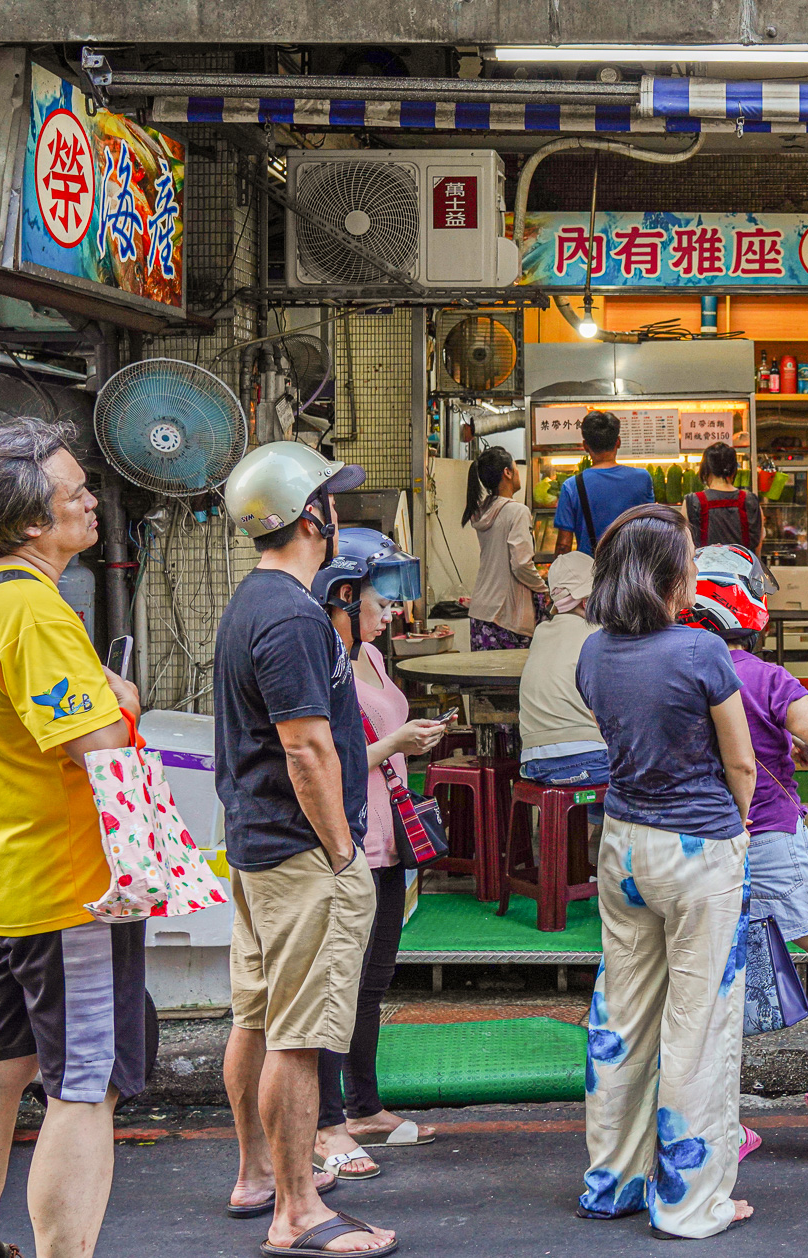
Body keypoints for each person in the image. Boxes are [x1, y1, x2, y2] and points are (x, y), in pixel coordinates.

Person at [0, 417, 146, 1258]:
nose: (93, 501)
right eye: (76, 492)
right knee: (80, 1092)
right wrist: (119, 695)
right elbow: (101, 745)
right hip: (66, 894)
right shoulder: (33, 612)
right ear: (29, 522)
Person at [215, 441, 398, 1257]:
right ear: (308, 516)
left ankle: (259, 1176)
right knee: (296, 1032)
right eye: (330, 500)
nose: (338, 514)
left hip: (257, 846)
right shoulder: (292, 616)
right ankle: (297, 1211)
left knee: (255, 1018)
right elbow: (308, 750)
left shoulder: (252, 603)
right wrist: (342, 854)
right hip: (298, 854)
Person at [573, 505, 758, 1239]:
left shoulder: (591, 653)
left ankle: (610, 1181)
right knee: (698, 1024)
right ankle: (688, 1201)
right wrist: (739, 822)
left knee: (621, 1016)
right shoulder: (700, 652)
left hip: (622, 842)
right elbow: (739, 760)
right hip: (698, 849)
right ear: (666, 575)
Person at [677, 544, 808, 1159]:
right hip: (768, 844)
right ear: (743, 603)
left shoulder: (669, 667)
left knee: (710, 985)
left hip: (694, 850)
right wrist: (802, 741)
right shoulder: (760, 675)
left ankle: (719, 1121)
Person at [310, 529, 455, 1182]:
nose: (392, 608)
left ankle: (364, 1106)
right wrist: (396, 740)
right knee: (336, 987)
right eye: (382, 594)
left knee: (372, 981)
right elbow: (324, 762)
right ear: (345, 594)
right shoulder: (321, 656)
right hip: (350, 839)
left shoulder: (367, 654)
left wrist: (406, 740)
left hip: (388, 836)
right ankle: (325, 1120)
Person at [518, 552, 610, 808]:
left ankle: (582, 834)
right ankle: (611, 839)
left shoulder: (542, 632)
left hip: (534, 764)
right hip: (586, 762)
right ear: (586, 600)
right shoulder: (597, 635)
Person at [465, 447, 549, 651]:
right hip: (506, 616)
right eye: (515, 468)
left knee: (487, 679)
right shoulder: (516, 511)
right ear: (507, 472)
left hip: (480, 613)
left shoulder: (483, 509)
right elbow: (520, 564)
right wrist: (543, 589)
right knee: (510, 680)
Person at [554, 410, 656, 557]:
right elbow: (651, 528)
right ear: (618, 442)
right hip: (631, 570)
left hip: (591, 572)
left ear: (585, 446)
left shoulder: (572, 486)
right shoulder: (642, 478)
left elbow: (563, 545)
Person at [682, 441, 764, 550]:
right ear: (734, 470)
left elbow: (685, 547)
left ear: (705, 469)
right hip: (744, 566)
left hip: (704, 567)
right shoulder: (750, 500)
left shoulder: (692, 502)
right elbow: (757, 545)